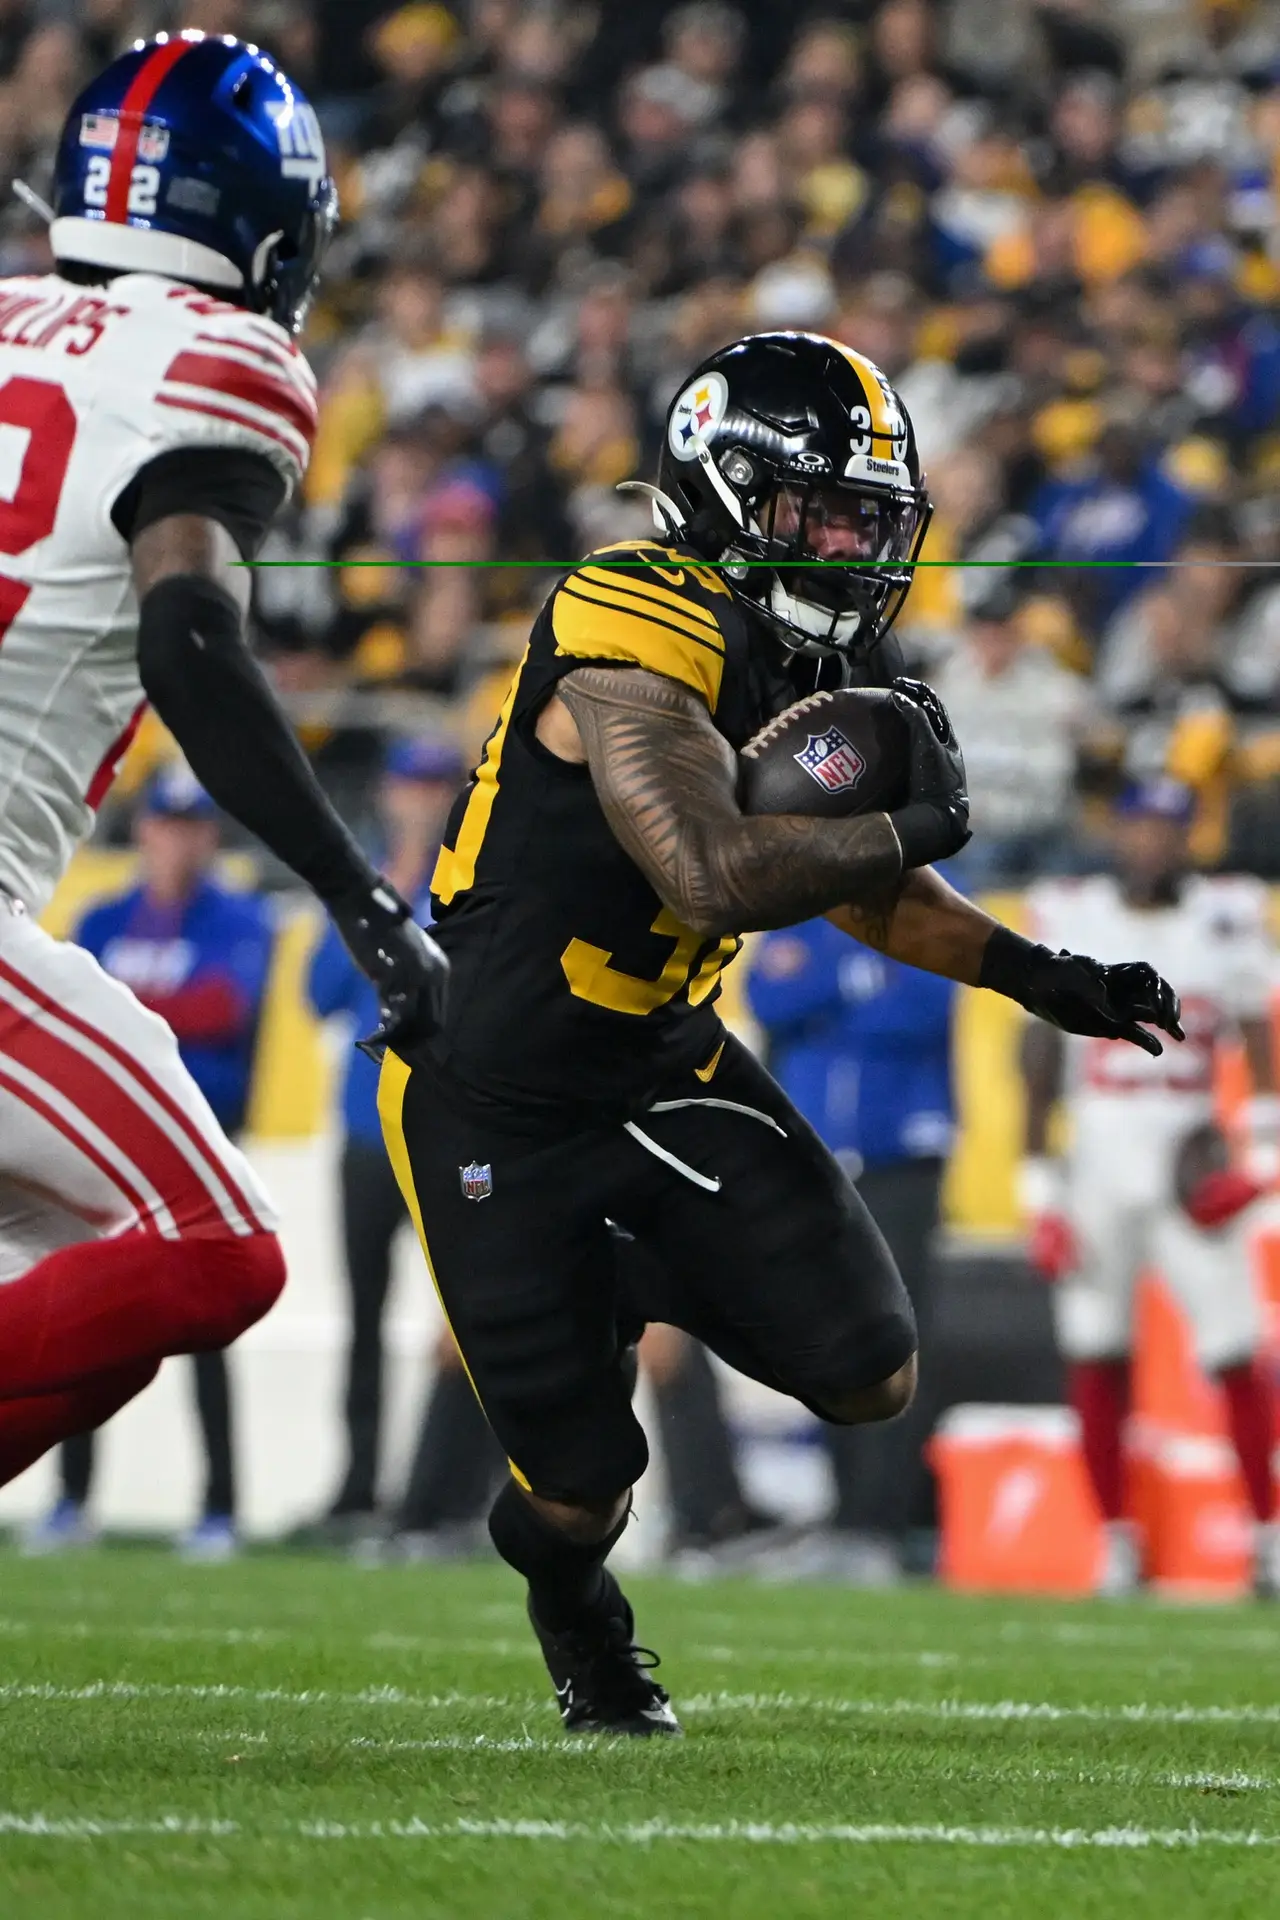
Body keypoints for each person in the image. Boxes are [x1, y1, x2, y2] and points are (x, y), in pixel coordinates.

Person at [378, 329, 1182, 1736]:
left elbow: (846, 878)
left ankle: (628, 1276)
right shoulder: (634, 613)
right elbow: (708, 869)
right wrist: (911, 818)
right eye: (826, 511)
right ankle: (578, 1612)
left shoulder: (786, 647)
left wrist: (1043, 976)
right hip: (492, 1087)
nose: (857, 545)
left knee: (871, 1367)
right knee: (578, 1490)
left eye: (873, 517)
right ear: (729, 489)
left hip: (660, 1057)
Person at [0, 35, 446, 1499]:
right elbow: (192, 637)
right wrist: (355, 892)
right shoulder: (219, 360)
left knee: (101, 1254)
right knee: (214, 1247)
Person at [1021, 777, 1280, 1599]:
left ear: (1189, 836)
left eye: (1170, 829)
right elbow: (1036, 1053)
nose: (1153, 844)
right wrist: (1038, 1182)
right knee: (1097, 1351)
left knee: (1235, 1351)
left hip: (1187, 1154)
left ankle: (1268, 1536)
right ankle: (1116, 1541)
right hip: (1097, 1152)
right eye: (1140, 827)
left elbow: (1258, 1022)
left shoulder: (1225, 914)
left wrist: (1263, 1148)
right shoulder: (1072, 913)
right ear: (1118, 832)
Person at [26, 767, 272, 1560]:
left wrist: (122, 1018)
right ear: (144, 832)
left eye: (193, 826)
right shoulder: (103, 914)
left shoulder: (239, 916)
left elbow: (227, 1010)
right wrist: (162, 1019)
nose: (178, 839)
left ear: (210, 837)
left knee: (209, 1323)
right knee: (80, 1319)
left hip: (198, 1148)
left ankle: (220, 1506)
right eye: (166, 825)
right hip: (103, 1158)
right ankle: (70, 1500)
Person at [746, 911, 956, 1583]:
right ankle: (843, 1519)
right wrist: (859, 978)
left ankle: (880, 1526)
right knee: (828, 1338)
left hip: (901, 1159)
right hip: (818, 1156)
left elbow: (923, 1008)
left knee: (894, 1341)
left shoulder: (935, 901)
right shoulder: (798, 916)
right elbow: (766, 1000)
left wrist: (825, 995)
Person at [306, 736, 465, 1541]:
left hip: (443, 1130)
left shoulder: (474, 881)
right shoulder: (363, 881)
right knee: (363, 1320)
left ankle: (448, 1495)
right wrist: (390, 896)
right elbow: (320, 992)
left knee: (474, 1312)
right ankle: (359, 1485)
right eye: (412, 785)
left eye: (435, 785)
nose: (421, 800)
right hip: (369, 1134)